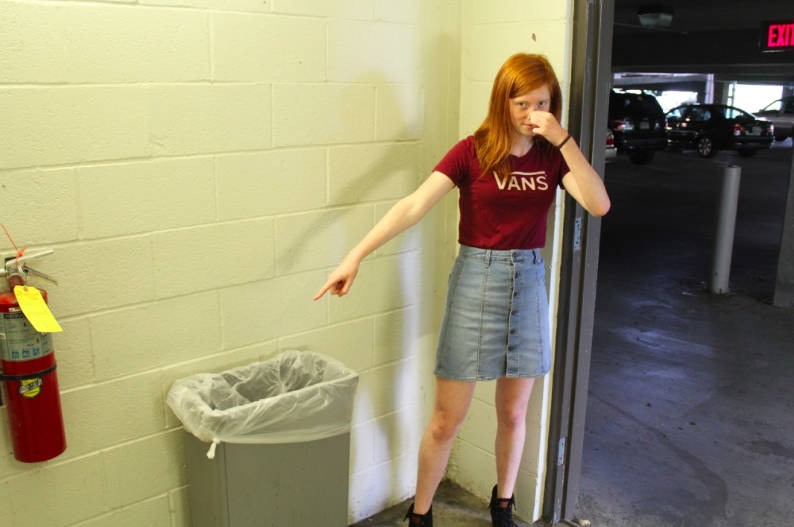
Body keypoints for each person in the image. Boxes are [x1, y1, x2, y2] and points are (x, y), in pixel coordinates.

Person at [314, 53, 610, 527]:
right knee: (446, 419)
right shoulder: (472, 151)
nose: (533, 113)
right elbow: (414, 205)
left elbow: (598, 204)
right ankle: (421, 514)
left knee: (514, 415)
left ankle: (503, 506)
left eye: (543, 103)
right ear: (502, 101)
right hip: (476, 280)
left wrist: (564, 138)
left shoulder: (553, 155)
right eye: (523, 103)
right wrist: (356, 255)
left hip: (528, 283)